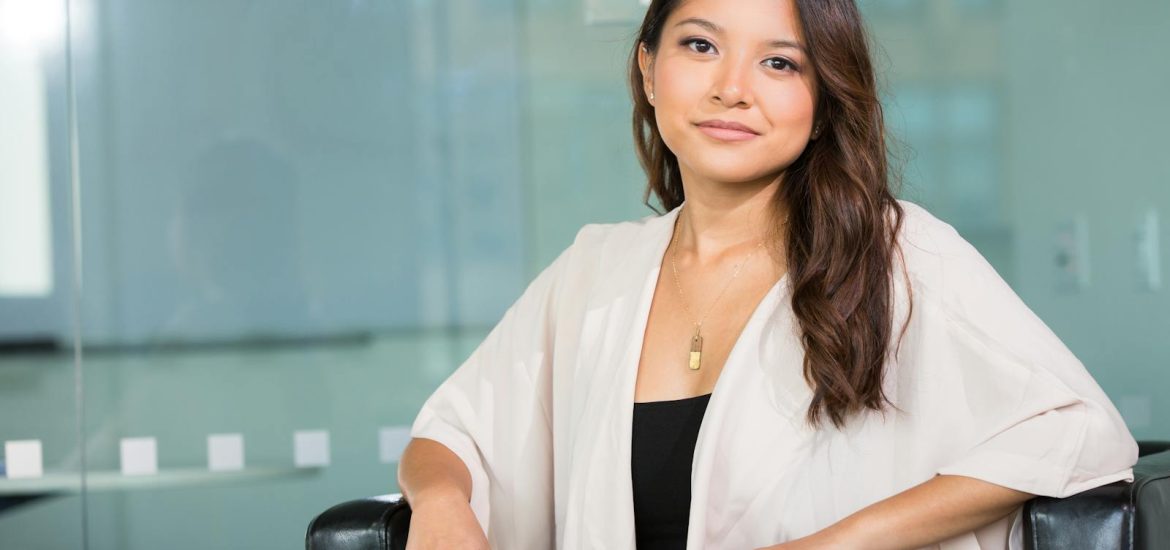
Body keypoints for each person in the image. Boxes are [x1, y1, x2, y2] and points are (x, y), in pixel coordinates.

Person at [397, 0, 1138, 548]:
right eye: (699, 46)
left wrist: (829, 546)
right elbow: (454, 431)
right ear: (648, 70)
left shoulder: (898, 253)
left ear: (820, 107)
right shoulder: (595, 268)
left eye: (780, 62)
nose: (733, 88)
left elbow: (1078, 429)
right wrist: (439, 506)